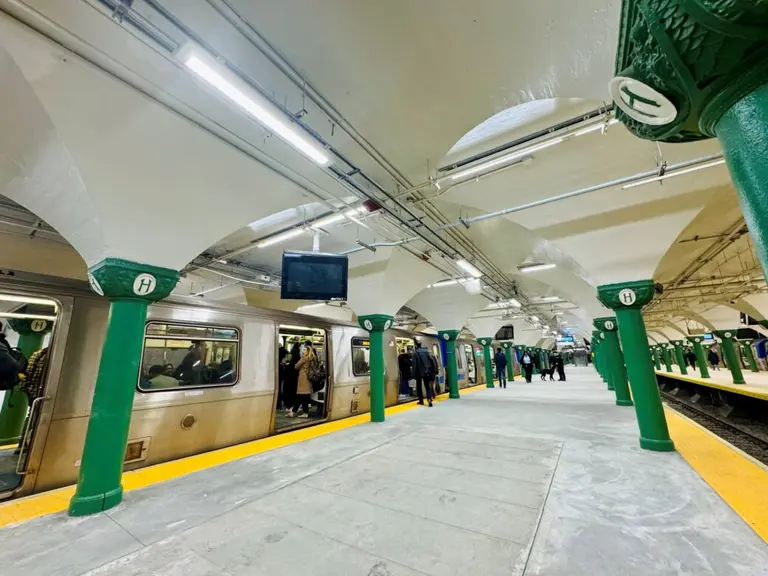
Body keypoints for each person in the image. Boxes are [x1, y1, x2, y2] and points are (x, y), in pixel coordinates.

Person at [291, 340, 316, 418]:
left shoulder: (304, 358)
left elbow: (296, 366)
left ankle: (303, 412)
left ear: (307, 351)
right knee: (303, 395)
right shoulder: (312, 357)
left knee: (302, 395)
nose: (303, 351)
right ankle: (295, 411)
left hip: (303, 378)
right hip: (308, 378)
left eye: (304, 350)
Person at [412, 340, 434, 407]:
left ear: (415, 345)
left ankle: (421, 400)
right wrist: (432, 370)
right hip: (427, 371)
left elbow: (414, 364)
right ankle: (429, 399)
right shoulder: (426, 351)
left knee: (419, 386)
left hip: (419, 372)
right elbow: (431, 360)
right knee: (427, 386)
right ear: (421, 345)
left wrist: (413, 374)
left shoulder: (415, 353)